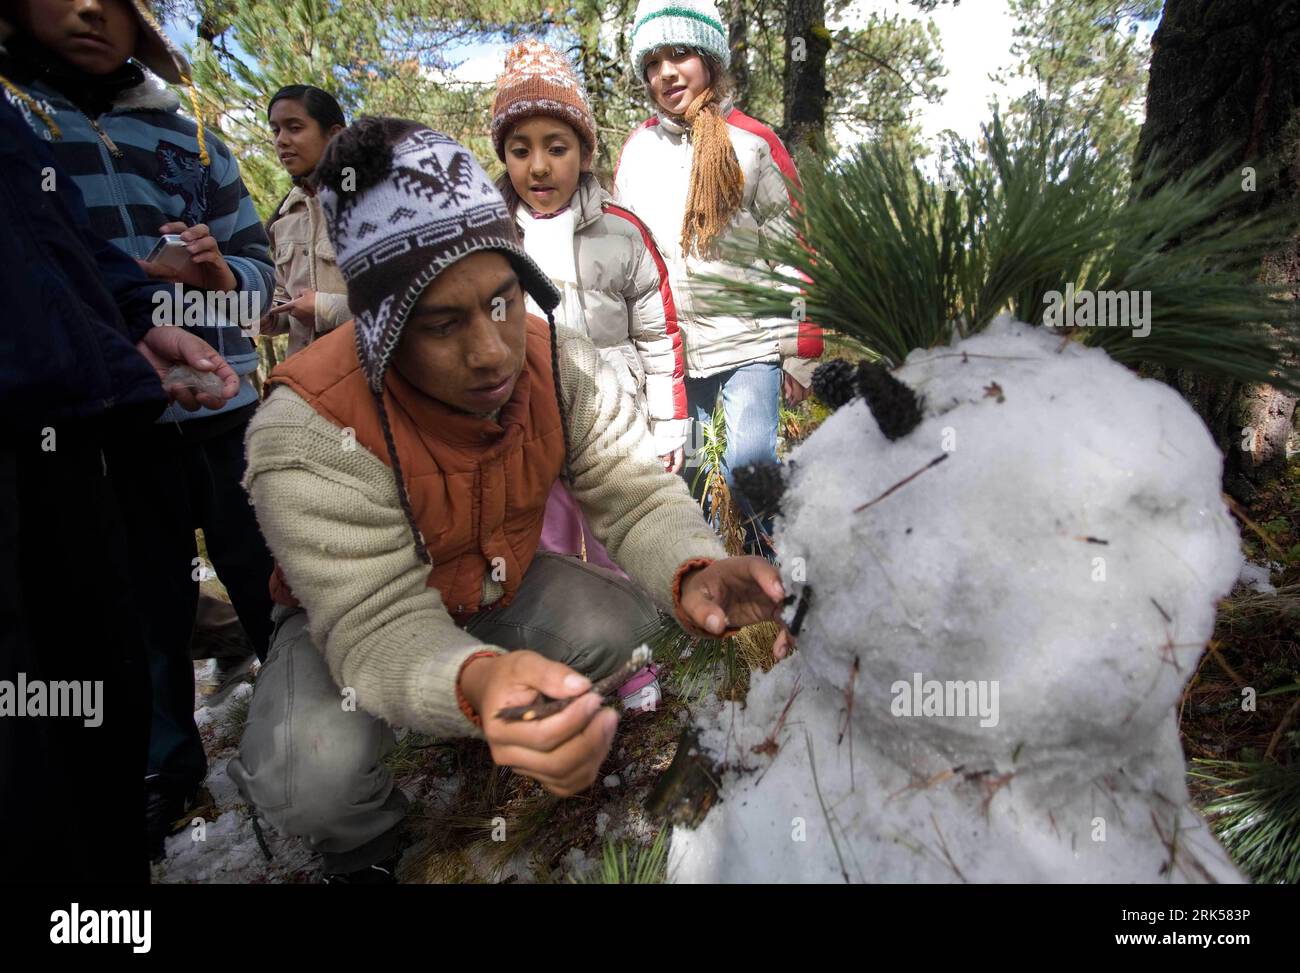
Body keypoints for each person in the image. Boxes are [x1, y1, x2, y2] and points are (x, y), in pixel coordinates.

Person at [228, 119, 793, 882]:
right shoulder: (307, 426)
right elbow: (375, 621)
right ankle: (371, 845)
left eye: (501, 301)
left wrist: (694, 569)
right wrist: (478, 683)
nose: (493, 350)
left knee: (624, 623)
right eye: (441, 324)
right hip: (352, 630)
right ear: (383, 330)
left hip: (499, 587)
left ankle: (508, 712)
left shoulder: (555, 361)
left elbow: (631, 493)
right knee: (313, 776)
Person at [0, 0, 276, 857]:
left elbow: (260, 277)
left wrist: (214, 277)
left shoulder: (188, 136)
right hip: (109, 430)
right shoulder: (21, 124)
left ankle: (306, 725)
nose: (87, 9)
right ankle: (163, 768)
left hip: (226, 413)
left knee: (271, 574)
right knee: (142, 606)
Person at [490, 38, 690, 710]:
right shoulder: (489, 240)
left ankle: (636, 659)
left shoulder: (622, 233)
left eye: (557, 145)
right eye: (520, 149)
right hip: (530, 429)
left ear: (585, 151)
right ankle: (568, 666)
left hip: (615, 424)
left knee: (614, 539)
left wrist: (669, 420)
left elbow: (659, 332)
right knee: (546, 545)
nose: (539, 165)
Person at [613, 0, 823, 554]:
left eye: (679, 54)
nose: (666, 72)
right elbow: (626, 263)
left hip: (750, 343)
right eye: (653, 61)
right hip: (677, 353)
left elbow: (793, 250)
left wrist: (798, 351)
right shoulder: (636, 155)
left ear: (708, 57)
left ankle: (776, 581)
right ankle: (720, 603)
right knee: (697, 478)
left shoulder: (753, 143)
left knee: (747, 470)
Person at [261, 84, 350, 357]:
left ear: (334, 135)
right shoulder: (285, 219)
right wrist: (267, 315)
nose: (281, 140)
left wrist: (325, 308)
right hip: (305, 379)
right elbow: (287, 302)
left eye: (295, 128)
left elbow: (410, 304)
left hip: (367, 380)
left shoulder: (377, 203)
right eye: (276, 130)